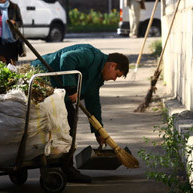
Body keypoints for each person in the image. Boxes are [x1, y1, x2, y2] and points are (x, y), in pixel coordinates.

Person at [31, 44, 129, 183]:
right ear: (113, 66)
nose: (114, 79)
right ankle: (66, 167)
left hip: (57, 94)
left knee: (67, 123)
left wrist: (98, 131)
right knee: (69, 120)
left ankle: (59, 163)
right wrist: (71, 87)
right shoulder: (91, 55)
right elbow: (67, 58)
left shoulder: (97, 78)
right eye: (117, 75)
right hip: (42, 75)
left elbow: (93, 103)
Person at [0, 0, 25, 65]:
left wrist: (14, 22)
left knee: (11, 66)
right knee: (1, 64)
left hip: (12, 41)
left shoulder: (14, 7)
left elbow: (20, 22)